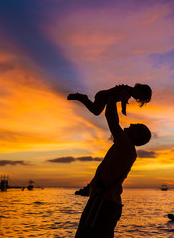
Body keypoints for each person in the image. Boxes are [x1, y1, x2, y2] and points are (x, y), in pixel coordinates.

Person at [75, 96, 151, 238]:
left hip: (102, 203)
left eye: (135, 126)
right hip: (106, 204)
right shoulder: (125, 148)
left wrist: (112, 98)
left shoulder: (126, 146)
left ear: (137, 135)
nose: (130, 125)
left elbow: (111, 119)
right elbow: (113, 120)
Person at [67, 83, 152, 116]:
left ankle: (83, 98)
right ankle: (82, 98)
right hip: (102, 96)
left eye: (139, 98)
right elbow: (123, 98)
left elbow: (120, 100)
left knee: (96, 111)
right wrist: (123, 109)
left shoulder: (128, 93)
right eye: (139, 96)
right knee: (96, 111)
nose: (137, 98)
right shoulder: (127, 91)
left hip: (104, 98)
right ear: (138, 89)